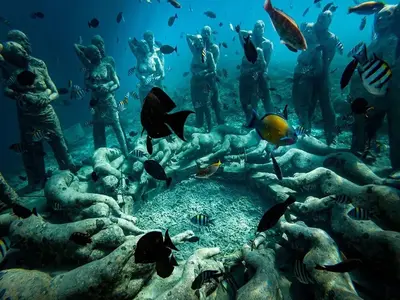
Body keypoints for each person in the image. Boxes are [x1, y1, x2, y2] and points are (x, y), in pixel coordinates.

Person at [1, 36, 78, 190]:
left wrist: (46, 98)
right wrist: (20, 96)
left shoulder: (39, 64)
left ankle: (70, 171)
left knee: (59, 143)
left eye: (24, 46)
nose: (24, 49)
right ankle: (39, 181)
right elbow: (6, 89)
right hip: (27, 117)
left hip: (47, 113)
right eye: (19, 48)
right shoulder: (7, 68)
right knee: (33, 149)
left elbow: (54, 90)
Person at [349, 4, 400, 174]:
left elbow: (389, 66)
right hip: (375, 94)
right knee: (370, 126)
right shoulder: (378, 40)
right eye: (379, 17)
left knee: (395, 129)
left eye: (387, 16)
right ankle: (361, 155)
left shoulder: (391, 40)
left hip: (387, 94)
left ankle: (396, 167)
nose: (381, 19)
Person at [292, 11, 339, 145]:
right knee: (303, 103)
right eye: (320, 16)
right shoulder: (306, 27)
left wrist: (324, 76)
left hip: (321, 73)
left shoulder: (332, 38)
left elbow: (329, 58)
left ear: (330, 22)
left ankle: (331, 135)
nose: (322, 19)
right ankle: (306, 133)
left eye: (326, 18)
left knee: (327, 104)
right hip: (303, 70)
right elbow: (295, 42)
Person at [84, 45, 128, 156]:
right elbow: (86, 83)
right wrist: (94, 86)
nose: (97, 52)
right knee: (98, 126)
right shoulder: (89, 69)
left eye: (97, 50)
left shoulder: (108, 66)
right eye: (94, 52)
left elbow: (117, 83)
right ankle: (102, 155)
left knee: (116, 125)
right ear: (89, 56)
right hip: (96, 103)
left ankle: (126, 152)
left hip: (109, 100)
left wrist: (108, 87)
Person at [237, 20, 273, 124]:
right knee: (247, 99)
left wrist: (260, 71)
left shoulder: (267, 43)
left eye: (260, 27)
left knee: (266, 97)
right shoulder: (249, 40)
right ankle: (251, 121)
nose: (258, 29)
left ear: (264, 29)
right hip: (247, 74)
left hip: (261, 73)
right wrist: (250, 33)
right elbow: (240, 33)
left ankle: (273, 119)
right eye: (256, 27)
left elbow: (266, 63)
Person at [186, 33, 217, 131]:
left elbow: (213, 69)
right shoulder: (194, 52)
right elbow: (187, 37)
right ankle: (199, 124)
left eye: (201, 40)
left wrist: (203, 72)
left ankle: (209, 126)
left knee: (205, 103)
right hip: (194, 83)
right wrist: (195, 37)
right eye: (197, 41)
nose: (199, 42)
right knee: (196, 103)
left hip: (204, 82)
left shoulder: (207, 54)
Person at [128, 37, 164, 104]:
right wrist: (141, 77)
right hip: (143, 89)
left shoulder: (154, 57)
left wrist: (153, 78)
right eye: (143, 46)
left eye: (146, 44)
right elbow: (129, 41)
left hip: (155, 88)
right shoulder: (139, 58)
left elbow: (163, 75)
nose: (145, 46)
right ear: (140, 48)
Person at [200, 26, 223, 125]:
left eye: (207, 32)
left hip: (211, 76)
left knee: (215, 99)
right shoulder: (198, 45)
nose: (205, 34)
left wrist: (208, 72)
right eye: (203, 32)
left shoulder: (214, 47)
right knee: (203, 100)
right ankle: (208, 123)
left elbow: (215, 64)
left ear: (210, 34)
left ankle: (220, 120)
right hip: (201, 78)